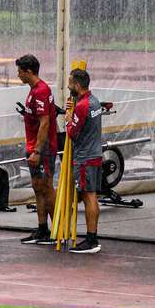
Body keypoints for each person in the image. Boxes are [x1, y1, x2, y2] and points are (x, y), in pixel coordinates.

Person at [15, 54, 59, 245]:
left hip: (42, 149)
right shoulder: (35, 90)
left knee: (47, 188)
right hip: (34, 145)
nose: (18, 75)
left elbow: (45, 122)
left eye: (20, 71)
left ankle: (59, 229)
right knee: (38, 188)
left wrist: (38, 151)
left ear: (29, 72)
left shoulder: (41, 91)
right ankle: (43, 229)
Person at [63, 67, 103, 254]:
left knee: (88, 196)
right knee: (90, 195)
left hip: (84, 157)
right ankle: (92, 237)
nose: (68, 86)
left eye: (70, 83)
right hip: (94, 154)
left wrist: (68, 118)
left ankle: (91, 239)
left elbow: (71, 132)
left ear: (77, 85)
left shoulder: (82, 106)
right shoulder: (94, 101)